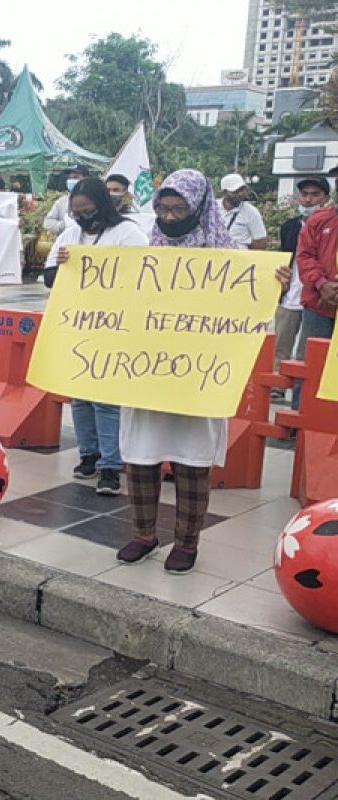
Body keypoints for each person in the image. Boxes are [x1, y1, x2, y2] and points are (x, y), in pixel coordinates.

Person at [116, 169, 239, 574]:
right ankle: (143, 534)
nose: (169, 217)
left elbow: (247, 306)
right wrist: (73, 265)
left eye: (179, 208)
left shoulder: (228, 257)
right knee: (141, 455)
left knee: (191, 460)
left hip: (196, 374)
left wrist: (273, 281)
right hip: (146, 371)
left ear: (199, 205)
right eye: (163, 208)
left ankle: (187, 542)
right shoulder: (144, 250)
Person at [43, 178, 150, 496]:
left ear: (102, 205)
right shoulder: (70, 234)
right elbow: (50, 278)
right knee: (79, 396)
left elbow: (142, 277)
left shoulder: (128, 234)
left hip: (114, 326)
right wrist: (62, 266)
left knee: (106, 399)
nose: (83, 218)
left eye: (88, 211)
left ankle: (110, 466)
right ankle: (88, 454)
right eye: (77, 212)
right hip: (77, 324)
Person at [273, 175, 328, 390]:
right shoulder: (289, 227)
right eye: (304, 195)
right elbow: (284, 257)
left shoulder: (330, 225)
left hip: (317, 296)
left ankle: (302, 394)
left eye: (315, 195)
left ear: (326, 198)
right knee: (281, 344)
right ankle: (278, 386)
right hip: (290, 294)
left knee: (308, 351)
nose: (308, 200)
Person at [294, 171, 338, 407]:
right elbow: (305, 256)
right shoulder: (318, 220)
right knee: (309, 364)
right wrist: (322, 284)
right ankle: (296, 424)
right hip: (318, 305)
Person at [218, 173, 268, 250]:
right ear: (224, 193)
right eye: (236, 191)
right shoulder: (213, 207)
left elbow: (261, 243)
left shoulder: (251, 212)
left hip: (239, 259)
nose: (240, 194)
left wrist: (242, 249)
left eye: (242, 190)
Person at [43, 164, 90, 236]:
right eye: (69, 178)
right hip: (65, 243)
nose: (71, 180)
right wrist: (64, 225)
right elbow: (47, 223)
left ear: (86, 179)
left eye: (75, 177)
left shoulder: (92, 201)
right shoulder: (61, 202)